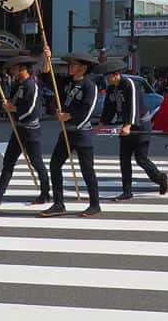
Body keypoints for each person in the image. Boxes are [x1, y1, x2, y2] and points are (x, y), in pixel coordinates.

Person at [0, 56, 50, 206]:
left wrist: (14, 109)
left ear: (23, 68)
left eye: (14, 68)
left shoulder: (32, 84)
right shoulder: (19, 84)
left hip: (31, 130)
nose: (12, 71)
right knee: (8, 162)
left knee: (36, 163)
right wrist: (9, 105)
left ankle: (45, 193)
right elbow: (14, 101)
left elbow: (32, 109)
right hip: (18, 129)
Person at [95, 59, 168, 201]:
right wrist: (102, 123)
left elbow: (134, 106)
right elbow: (109, 108)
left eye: (108, 76)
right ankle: (127, 191)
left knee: (141, 158)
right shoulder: (112, 88)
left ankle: (160, 178)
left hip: (140, 124)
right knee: (124, 159)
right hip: (126, 126)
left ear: (116, 75)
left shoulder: (129, 85)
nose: (106, 79)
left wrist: (128, 124)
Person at [39, 51, 100, 218]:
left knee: (87, 170)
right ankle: (59, 203)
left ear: (84, 67)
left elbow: (88, 110)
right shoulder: (66, 82)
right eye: (70, 64)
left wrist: (69, 116)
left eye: (74, 64)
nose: (70, 67)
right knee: (54, 165)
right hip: (66, 133)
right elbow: (46, 76)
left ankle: (95, 204)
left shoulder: (89, 85)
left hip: (82, 134)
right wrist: (47, 58)